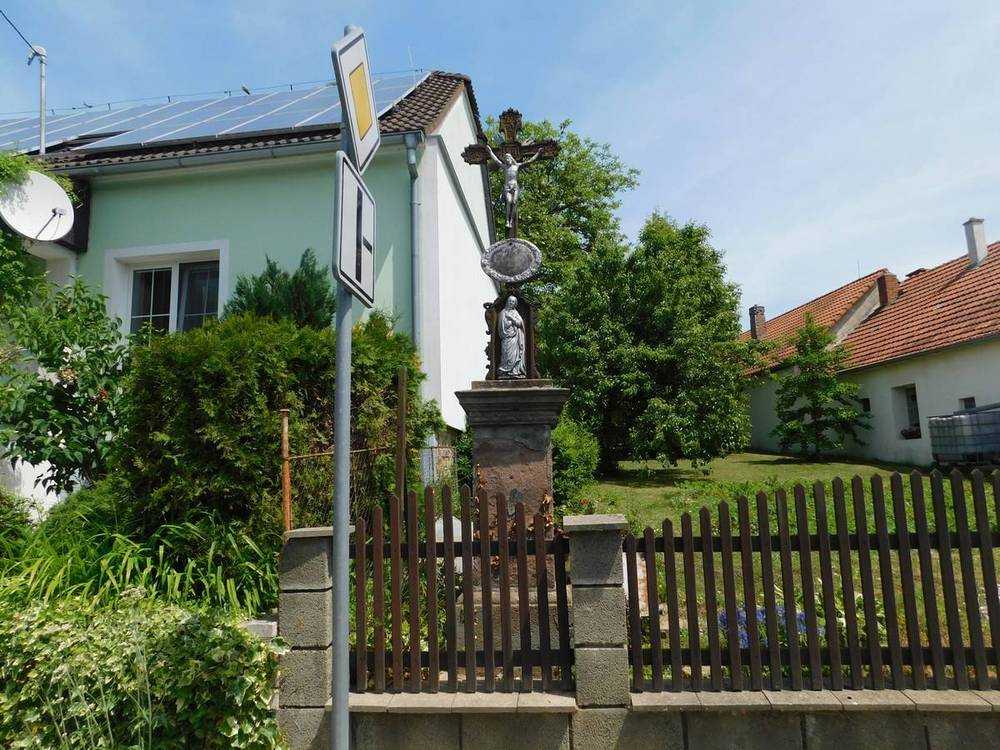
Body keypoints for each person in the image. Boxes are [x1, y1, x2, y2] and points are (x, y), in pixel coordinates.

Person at [485, 144, 541, 230]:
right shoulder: (504, 167)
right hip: (507, 187)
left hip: (515, 187)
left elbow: (529, 161)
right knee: (509, 201)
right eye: (506, 159)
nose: (507, 160)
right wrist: (490, 151)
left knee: (514, 202)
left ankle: (511, 220)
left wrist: (538, 153)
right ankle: (507, 220)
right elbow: (496, 160)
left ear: (511, 159)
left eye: (508, 158)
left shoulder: (517, 166)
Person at [497, 296, 526, 378]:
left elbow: (520, 323)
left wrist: (511, 318)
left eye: (513, 301)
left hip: (515, 337)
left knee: (515, 355)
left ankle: (514, 371)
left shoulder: (515, 313)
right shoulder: (503, 312)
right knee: (506, 354)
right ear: (507, 302)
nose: (511, 303)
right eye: (510, 301)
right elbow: (501, 326)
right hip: (506, 337)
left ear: (515, 304)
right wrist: (508, 324)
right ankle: (504, 371)